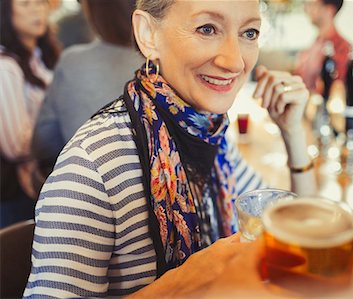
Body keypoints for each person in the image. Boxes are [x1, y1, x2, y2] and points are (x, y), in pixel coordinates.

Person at [24, 0, 315, 297]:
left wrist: (291, 132)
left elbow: (300, 231)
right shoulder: (92, 164)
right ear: (148, 34)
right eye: (207, 28)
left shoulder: (209, 134)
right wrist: (181, 283)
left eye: (249, 33)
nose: (236, 61)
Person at [32, 0, 143, 179]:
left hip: (88, 188)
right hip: (160, 192)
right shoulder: (163, 62)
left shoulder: (72, 62)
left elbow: (43, 143)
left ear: (92, 10)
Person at [0, 0, 60, 228]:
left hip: (44, 176)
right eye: (26, 3)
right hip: (18, 191)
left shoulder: (41, 56)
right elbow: (15, 144)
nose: (37, 9)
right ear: (6, 12)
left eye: (41, 2)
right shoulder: (6, 66)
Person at [293, 0, 351, 93]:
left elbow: (336, 87)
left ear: (329, 9)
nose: (307, 9)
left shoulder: (342, 48)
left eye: (313, 5)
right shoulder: (317, 42)